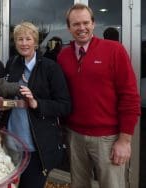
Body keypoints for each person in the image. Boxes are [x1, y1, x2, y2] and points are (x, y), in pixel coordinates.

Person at [57, 3, 141, 188]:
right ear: (69, 28)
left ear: (94, 24)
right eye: (76, 24)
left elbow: (130, 96)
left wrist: (125, 140)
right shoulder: (63, 56)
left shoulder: (114, 51)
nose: (82, 28)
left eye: (86, 22)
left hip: (108, 139)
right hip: (74, 135)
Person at [0, 21, 71, 188]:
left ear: (36, 42)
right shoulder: (12, 63)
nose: (24, 43)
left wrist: (35, 103)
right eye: (19, 39)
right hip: (11, 145)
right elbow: (12, 98)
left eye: (28, 39)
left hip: (36, 147)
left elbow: (64, 106)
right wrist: (3, 102)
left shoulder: (50, 68)